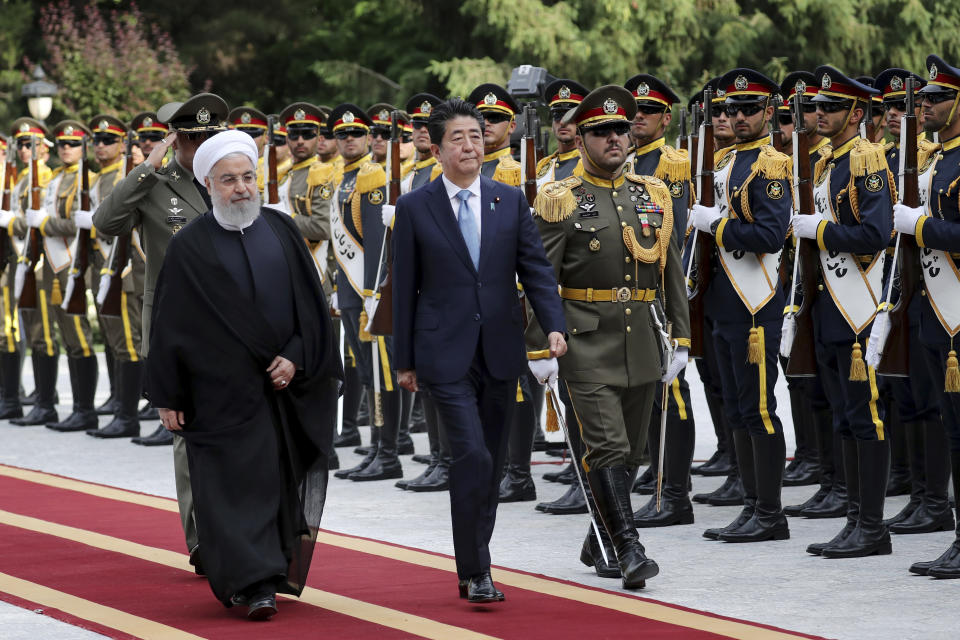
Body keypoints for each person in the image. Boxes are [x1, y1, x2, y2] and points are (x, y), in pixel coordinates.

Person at [147, 130, 341, 619]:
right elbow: (169, 325)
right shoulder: (189, 246)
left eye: (247, 177)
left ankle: (270, 571)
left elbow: (310, 311)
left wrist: (295, 356)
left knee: (273, 483)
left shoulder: (281, 229)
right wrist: (168, 395)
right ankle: (247, 582)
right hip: (218, 394)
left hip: (281, 389)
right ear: (208, 185)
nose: (241, 188)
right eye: (228, 180)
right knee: (231, 487)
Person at [392, 97, 566, 602]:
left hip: (499, 348)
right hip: (442, 353)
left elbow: (534, 269)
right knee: (468, 454)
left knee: (487, 460)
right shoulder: (415, 206)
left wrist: (553, 325)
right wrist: (404, 360)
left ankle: (474, 565)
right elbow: (404, 288)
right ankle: (478, 567)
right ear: (438, 148)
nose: (469, 145)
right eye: (457, 138)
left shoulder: (507, 200)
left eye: (475, 135)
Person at [93, 92, 229, 574]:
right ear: (177, 141)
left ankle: (239, 532)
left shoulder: (233, 179)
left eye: (209, 137)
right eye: (192, 139)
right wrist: (147, 166)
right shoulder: (156, 182)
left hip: (235, 330)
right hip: (178, 328)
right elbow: (106, 222)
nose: (201, 147)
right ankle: (201, 542)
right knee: (186, 434)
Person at [793, 66, 893, 559]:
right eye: (816, 107)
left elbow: (876, 235)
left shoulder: (866, 159)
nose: (819, 114)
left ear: (857, 113)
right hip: (830, 305)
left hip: (859, 306)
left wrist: (821, 232)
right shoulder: (828, 160)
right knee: (845, 418)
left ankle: (872, 526)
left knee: (865, 416)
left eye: (830, 107)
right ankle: (855, 518)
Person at [689, 68, 793, 544]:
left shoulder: (771, 164)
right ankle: (751, 506)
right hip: (723, 305)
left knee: (759, 410)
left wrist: (718, 225)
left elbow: (770, 237)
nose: (738, 116)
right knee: (736, 410)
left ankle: (770, 513)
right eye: (731, 109)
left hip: (756, 306)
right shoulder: (727, 160)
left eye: (749, 108)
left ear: (769, 113)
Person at [887, 54, 960, 578]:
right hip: (937, 313)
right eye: (925, 98)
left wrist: (923, 225)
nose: (926, 105)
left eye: (936, 97)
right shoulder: (936, 161)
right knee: (952, 431)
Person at [17, 120, 100, 434]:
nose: (66, 148)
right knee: (56, 337)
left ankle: (85, 410)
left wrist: (46, 223)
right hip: (51, 265)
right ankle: (49, 404)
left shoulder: (85, 179)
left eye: (73, 144)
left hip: (71, 264)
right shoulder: (54, 179)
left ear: (84, 148)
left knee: (78, 337)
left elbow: (81, 224)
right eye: (63, 143)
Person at [0, 119, 52, 421]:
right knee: (17, 330)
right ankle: (13, 397)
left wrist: (11, 222)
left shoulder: (45, 178)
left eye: (30, 144)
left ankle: (44, 402)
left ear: (45, 148)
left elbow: (36, 222)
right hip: (18, 259)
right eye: (20, 144)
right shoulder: (21, 177)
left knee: (41, 332)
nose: (24, 149)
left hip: (40, 262)